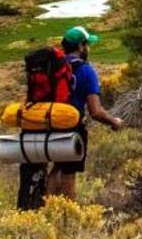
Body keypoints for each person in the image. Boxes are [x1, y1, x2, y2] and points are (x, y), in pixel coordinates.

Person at [47, 25, 122, 200]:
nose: (88, 48)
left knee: (57, 167)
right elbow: (95, 111)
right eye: (87, 44)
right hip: (72, 128)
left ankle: (47, 208)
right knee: (69, 174)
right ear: (81, 46)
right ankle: (68, 214)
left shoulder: (54, 67)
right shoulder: (86, 71)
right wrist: (114, 122)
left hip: (48, 124)